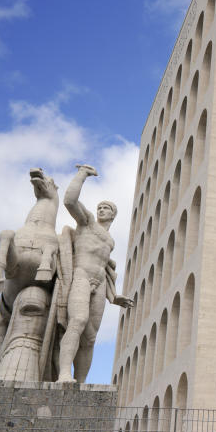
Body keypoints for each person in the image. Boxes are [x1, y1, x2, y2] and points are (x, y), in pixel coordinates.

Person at [56, 164, 133, 383]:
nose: (101, 210)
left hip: (99, 284)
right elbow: (70, 201)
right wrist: (82, 175)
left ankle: (80, 382)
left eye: (106, 208)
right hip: (80, 276)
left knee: (90, 337)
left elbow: (106, 269)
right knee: (77, 321)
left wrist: (114, 296)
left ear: (113, 215)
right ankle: (63, 374)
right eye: (99, 207)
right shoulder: (87, 223)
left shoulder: (110, 241)